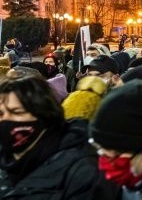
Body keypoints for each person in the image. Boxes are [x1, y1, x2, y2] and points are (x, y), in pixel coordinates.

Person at [0, 69, 117, 199]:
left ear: (44, 115)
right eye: (0, 114)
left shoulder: (84, 171)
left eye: (16, 112)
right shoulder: (7, 158)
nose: (4, 120)